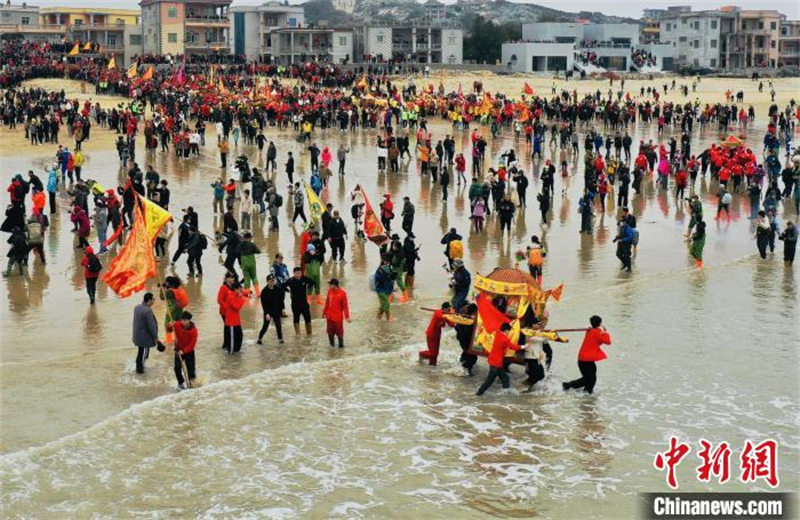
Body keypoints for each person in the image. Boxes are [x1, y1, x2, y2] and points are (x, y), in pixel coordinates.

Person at [562, 315, 612, 394]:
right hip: (586, 361)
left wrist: (601, 330)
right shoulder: (596, 332)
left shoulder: (590, 331)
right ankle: (568, 386)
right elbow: (608, 342)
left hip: (583, 360)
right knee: (589, 379)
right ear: (599, 323)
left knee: (589, 379)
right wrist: (604, 331)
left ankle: (584, 391)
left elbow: (599, 339)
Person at [476, 323, 521, 396]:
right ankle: (478, 394)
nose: (509, 332)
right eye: (509, 331)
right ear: (506, 330)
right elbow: (512, 347)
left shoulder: (498, 333)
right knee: (489, 381)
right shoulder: (505, 339)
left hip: (495, 361)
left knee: (505, 378)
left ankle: (506, 393)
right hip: (496, 363)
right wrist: (523, 346)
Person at [132, 292, 163, 374]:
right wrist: (156, 338)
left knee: (140, 352)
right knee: (143, 354)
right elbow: (151, 326)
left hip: (137, 335)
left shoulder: (137, 307)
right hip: (144, 337)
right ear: (149, 300)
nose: (154, 301)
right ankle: (140, 370)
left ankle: (139, 368)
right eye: (153, 299)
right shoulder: (147, 311)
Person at [172, 311, 197, 390]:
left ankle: (192, 383)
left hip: (189, 352)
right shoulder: (177, 324)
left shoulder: (194, 331)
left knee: (191, 369)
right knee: (177, 367)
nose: (183, 322)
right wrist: (169, 325)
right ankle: (180, 383)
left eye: (185, 320)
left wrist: (184, 351)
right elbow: (169, 329)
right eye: (182, 320)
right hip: (178, 349)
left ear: (189, 320)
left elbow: (192, 344)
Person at [258, 275, 286, 345]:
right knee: (265, 326)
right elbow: (263, 304)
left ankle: (280, 339)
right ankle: (259, 339)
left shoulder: (278, 289)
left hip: (276, 310)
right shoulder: (264, 291)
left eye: (273, 281)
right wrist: (266, 313)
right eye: (270, 281)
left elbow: (281, 300)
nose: (272, 283)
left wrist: (282, 309)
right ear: (267, 282)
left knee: (278, 325)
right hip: (268, 311)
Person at [322, 278, 350, 348]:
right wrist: (324, 312)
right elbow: (327, 303)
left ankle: (341, 348)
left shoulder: (342, 293)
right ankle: (332, 347)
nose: (329, 286)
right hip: (329, 316)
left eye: (330, 284)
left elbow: (345, 306)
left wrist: (347, 317)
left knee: (339, 333)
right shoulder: (330, 291)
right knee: (330, 333)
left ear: (334, 285)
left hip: (337, 318)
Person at [286, 267, 313, 334]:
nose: (298, 275)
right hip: (295, 304)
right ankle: (297, 335)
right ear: (294, 273)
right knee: (296, 319)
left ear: (301, 273)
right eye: (296, 273)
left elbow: (312, 282)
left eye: (299, 273)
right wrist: (289, 291)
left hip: (304, 303)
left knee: (308, 319)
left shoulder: (304, 279)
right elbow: (282, 286)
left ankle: (309, 334)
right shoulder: (291, 280)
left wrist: (307, 287)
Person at [222, 281, 247, 354]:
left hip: (236, 322)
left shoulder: (236, 295)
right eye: (239, 289)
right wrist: (242, 298)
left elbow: (246, 293)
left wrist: (245, 293)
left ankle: (236, 354)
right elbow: (237, 307)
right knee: (232, 341)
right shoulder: (231, 296)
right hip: (231, 323)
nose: (240, 291)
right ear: (235, 289)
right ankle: (231, 356)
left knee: (240, 337)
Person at [456, 303, 478, 375]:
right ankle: (465, 369)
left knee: (466, 353)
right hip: (465, 340)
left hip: (462, 339)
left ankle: (462, 366)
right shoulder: (468, 320)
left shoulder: (464, 316)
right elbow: (467, 332)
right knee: (473, 358)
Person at [374, 257, 396, 321]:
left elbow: (393, 278)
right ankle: (388, 319)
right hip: (381, 290)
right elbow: (378, 280)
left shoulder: (391, 268)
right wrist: (386, 274)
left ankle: (378, 317)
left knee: (383, 305)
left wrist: (392, 274)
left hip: (388, 289)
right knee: (386, 304)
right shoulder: (379, 270)